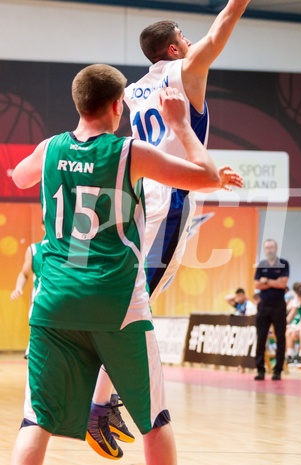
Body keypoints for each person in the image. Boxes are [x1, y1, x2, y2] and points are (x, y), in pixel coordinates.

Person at [9, 65, 237, 465]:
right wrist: (181, 125)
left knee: (35, 422)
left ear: (78, 103)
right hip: (117, 303)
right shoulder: (130, 152)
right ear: (118, 107)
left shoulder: (49, 148)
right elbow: (206, 175)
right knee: (154, 421)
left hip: (54, 303)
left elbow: (20, 177)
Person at [88, 2, 250, 458]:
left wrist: (212, 174)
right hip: (168, 201)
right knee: (136, 304)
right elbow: (222, 27)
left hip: (139, 195)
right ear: (175, 46)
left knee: (137, 299)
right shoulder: (186, 68)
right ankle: (100, 404)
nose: (192, 39)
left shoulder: (134, 89)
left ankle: (104, 399)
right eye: (185, 34)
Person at [254, 238, 290, 380]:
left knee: (280, 338)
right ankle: (260, 370)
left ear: (276, 248)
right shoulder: (261, 265)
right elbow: (257, 284)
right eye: (267, 247)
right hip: (264, 306)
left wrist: (267, 281)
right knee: (261, 338)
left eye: (272, 247)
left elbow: (283, 284)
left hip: (279, 306)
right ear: (265, 250)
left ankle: (277, 370)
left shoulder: (283, 264)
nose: (269, 250)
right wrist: (274, 282)